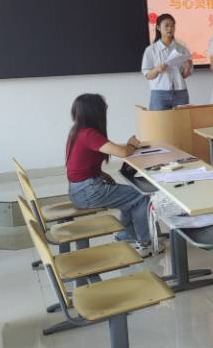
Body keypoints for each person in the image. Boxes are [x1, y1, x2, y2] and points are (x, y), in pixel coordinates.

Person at [65, 94, 157, 257]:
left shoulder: (77, 131)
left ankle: (127, 235)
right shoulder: (89, 134)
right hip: (88, 191)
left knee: (129, 198)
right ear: (95, 112)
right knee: (142, 196)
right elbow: (123, 152)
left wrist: (100, 173)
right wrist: (131, 144)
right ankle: (145, 244)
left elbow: (79, 162)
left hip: (80, 189)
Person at [141, 13, 193, 111]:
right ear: (158, 28)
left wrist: (187, 67)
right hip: (159, 93)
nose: (170, 28)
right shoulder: (151, 50)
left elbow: (185, 75)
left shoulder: (182, 49)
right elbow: (147, 75)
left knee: (182, 120)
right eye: (167, 25)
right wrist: (157, 69)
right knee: (159, 120)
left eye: (172, 25)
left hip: (180, 92)